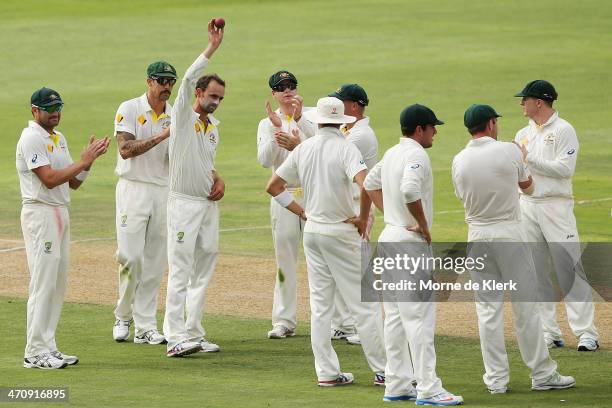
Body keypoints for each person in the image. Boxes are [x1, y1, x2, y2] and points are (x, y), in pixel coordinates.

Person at [452, 103, 575, 392]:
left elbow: (462, 195)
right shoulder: (508, 150)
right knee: (525, 307)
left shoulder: (459, 159)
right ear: (491, 124)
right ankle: (542, 375)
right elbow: (529, 188)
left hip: (477, 237)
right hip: (508, 233)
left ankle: (496, 381)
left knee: (487, 311)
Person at [266, 96, 386, 387]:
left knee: (320, 306)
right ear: (341, 121)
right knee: (363, 306)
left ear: (318, 121)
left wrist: (303, 212)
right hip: (341, 233)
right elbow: (367, 183)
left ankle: (327, 373)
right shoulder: (346, 148)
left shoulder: (304, 148)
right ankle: (385, 371)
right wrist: (361, 217)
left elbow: (273, 187)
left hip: (315, 232)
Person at [365, 104, 463, 405]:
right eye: (432, 127)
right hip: (409, 242)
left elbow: (369, 183)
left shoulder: (393, 152)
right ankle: (429, 388)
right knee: (419, 317)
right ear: (419, 129)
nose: (435, 132)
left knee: (394, 317)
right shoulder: (416, 154)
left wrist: (392, 216)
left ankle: (397, 385)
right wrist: (421, 224)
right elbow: (409, 190)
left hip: (389, 238)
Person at [17, 87, 109, 369]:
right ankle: (34, 352)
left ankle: (48, 346)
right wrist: (81, 161)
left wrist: (88, 163)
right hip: (40, 212)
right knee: (43, 283)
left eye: (58, 107)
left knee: (57, 284)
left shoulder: (58, 138)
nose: (55, 113)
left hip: (59, 212)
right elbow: (49, 179)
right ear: (35, 111)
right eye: (49, 108)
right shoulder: (31, 137)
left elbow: (73, 181)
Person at [513, 80, 599, 351]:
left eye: (525, 99)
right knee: (535, 270)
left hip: (556, 206)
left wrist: (528, 159)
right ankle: (549, 332)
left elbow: (565, 169)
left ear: (539, 101)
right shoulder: (521, 134)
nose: (520, 104)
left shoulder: (564, 130)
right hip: (527, 205)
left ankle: (586, 333)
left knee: (569, 268)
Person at [163, 20, 226, 357]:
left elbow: (206, 161)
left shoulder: (213, 126)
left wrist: (218, 178)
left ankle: (193, 332)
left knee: (203, 268)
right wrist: (211, 49)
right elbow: (186, 79)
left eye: (219, 98)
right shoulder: (183, 116)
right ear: (199, 94)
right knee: (182, 268)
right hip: (183, 204)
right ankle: (174, 337)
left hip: (206, 205)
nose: (215, 102)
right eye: (212, 96)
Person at [112, 60, 176, 344]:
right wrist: (162, 135)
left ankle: (146, 326)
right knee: (130, 257)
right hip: (133, 188)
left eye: (171, 82)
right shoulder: (129, 108)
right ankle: (123, 314)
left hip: (162, 191)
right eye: (162, 81)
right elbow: (126, 150)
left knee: (154, 261)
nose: (167, 87)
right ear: (149, 81)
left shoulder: (175, 114)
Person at [257, 70, 315, 339]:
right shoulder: (266, 123)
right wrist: (275, 128)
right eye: (281, 87)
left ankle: (334, 322)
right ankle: (284, 321)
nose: (288, 90)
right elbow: (265, 160)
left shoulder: (312, 115)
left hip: (315, 195)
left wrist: (300, 122)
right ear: (274, 93)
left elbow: (321, 150)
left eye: (291, 85)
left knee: (322, 260)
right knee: (286, 260)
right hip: (284, 195)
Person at [327, 84, 378, 346]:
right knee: (341, 268)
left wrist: (297, 144)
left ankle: (362, 326)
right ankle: (342, 325)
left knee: (359, 269)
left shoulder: (361, 135)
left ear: (355, 106)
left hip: (360, 208)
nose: (336, 107)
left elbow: (330, 154)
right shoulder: (349, 130)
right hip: (346, 209)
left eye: (341, 102)